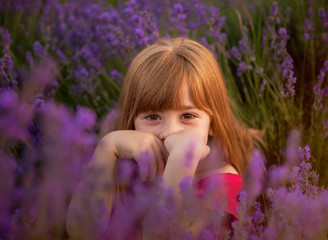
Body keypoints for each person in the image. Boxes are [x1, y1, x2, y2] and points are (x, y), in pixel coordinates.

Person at [66, 37, 261, 239]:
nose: (169, 131)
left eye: (187, 116)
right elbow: (81, 232)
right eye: (152, 117)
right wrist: (107, 147)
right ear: (133, 121)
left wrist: (182, 158)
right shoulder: (127, 167)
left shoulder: (221, 183)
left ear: (211, 123)